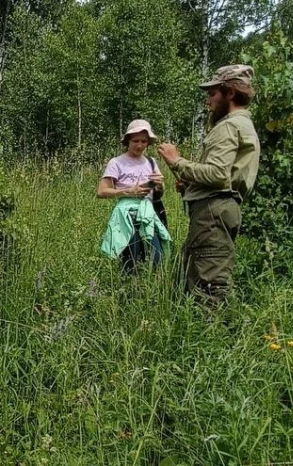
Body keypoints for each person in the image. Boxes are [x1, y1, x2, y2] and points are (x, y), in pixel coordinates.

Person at [158, 64, 261, 302]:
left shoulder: (229, 126)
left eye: (213, 93)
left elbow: (217, 175)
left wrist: (177, 161)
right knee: (198, 278)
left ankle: (219, 334)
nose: (208, 101)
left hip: (212, 213)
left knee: (209, 289)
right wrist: (191, 185)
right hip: (218, 209)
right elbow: (225, 175)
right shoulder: (243, 124)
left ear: (231, 93)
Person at [97, 120, 171, 273]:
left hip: (149, 214)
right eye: (135, 141)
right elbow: (102, 191)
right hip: (126, 215)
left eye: (144, 141)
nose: (139, 145)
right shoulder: (117, 162)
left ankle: (153, 288)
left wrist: (158, 185)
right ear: (127, 141)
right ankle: (129, 290)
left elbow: (159, 192)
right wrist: (128, 191)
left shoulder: (151, 162)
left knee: (156, 257)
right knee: (131, 258)